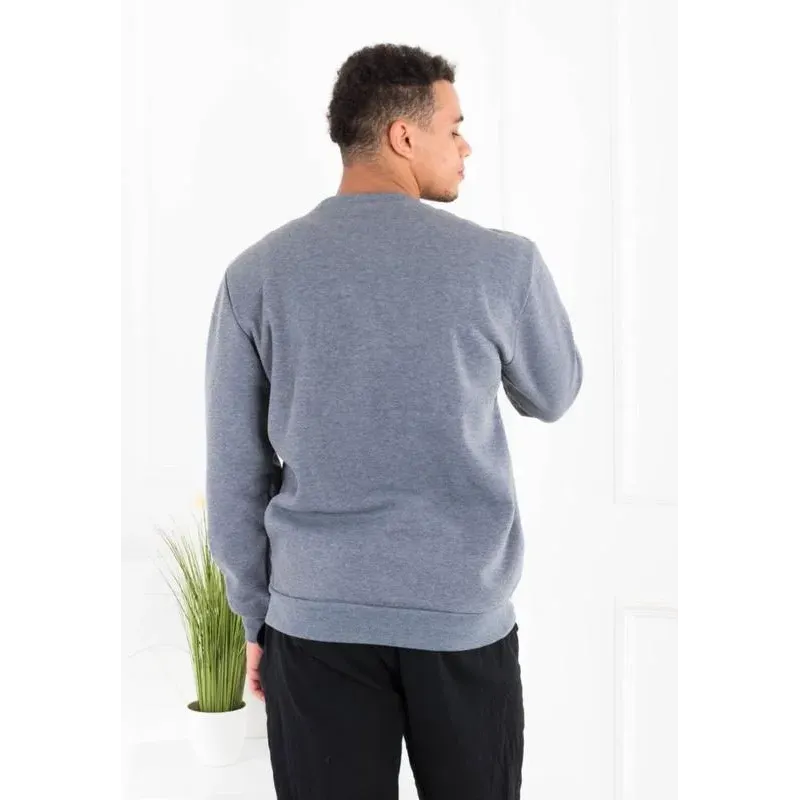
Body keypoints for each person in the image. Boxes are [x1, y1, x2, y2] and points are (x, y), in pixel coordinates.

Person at [205, 42, 583, 800]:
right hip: (460, 618)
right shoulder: (502, 264)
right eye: (454, 127)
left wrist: (254, 616)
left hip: (315, 624)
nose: (465, 146)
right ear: (404, 136)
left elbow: (234, 473)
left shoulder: (256, 274)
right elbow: (554, 392)